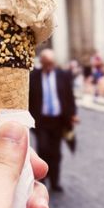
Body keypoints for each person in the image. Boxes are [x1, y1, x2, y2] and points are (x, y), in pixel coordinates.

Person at [28, 49, 78, 192]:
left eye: (52, 63)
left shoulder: (63, 75)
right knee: (43, 149)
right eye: (47, 63)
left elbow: (69, 96)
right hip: (41, 121)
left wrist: (73, 114)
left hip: (58, 121)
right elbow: (29, 99)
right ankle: (43, 179)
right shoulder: (34, 76)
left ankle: (55, 182)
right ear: (42, 62)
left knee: (56, 152)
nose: (50, 65)